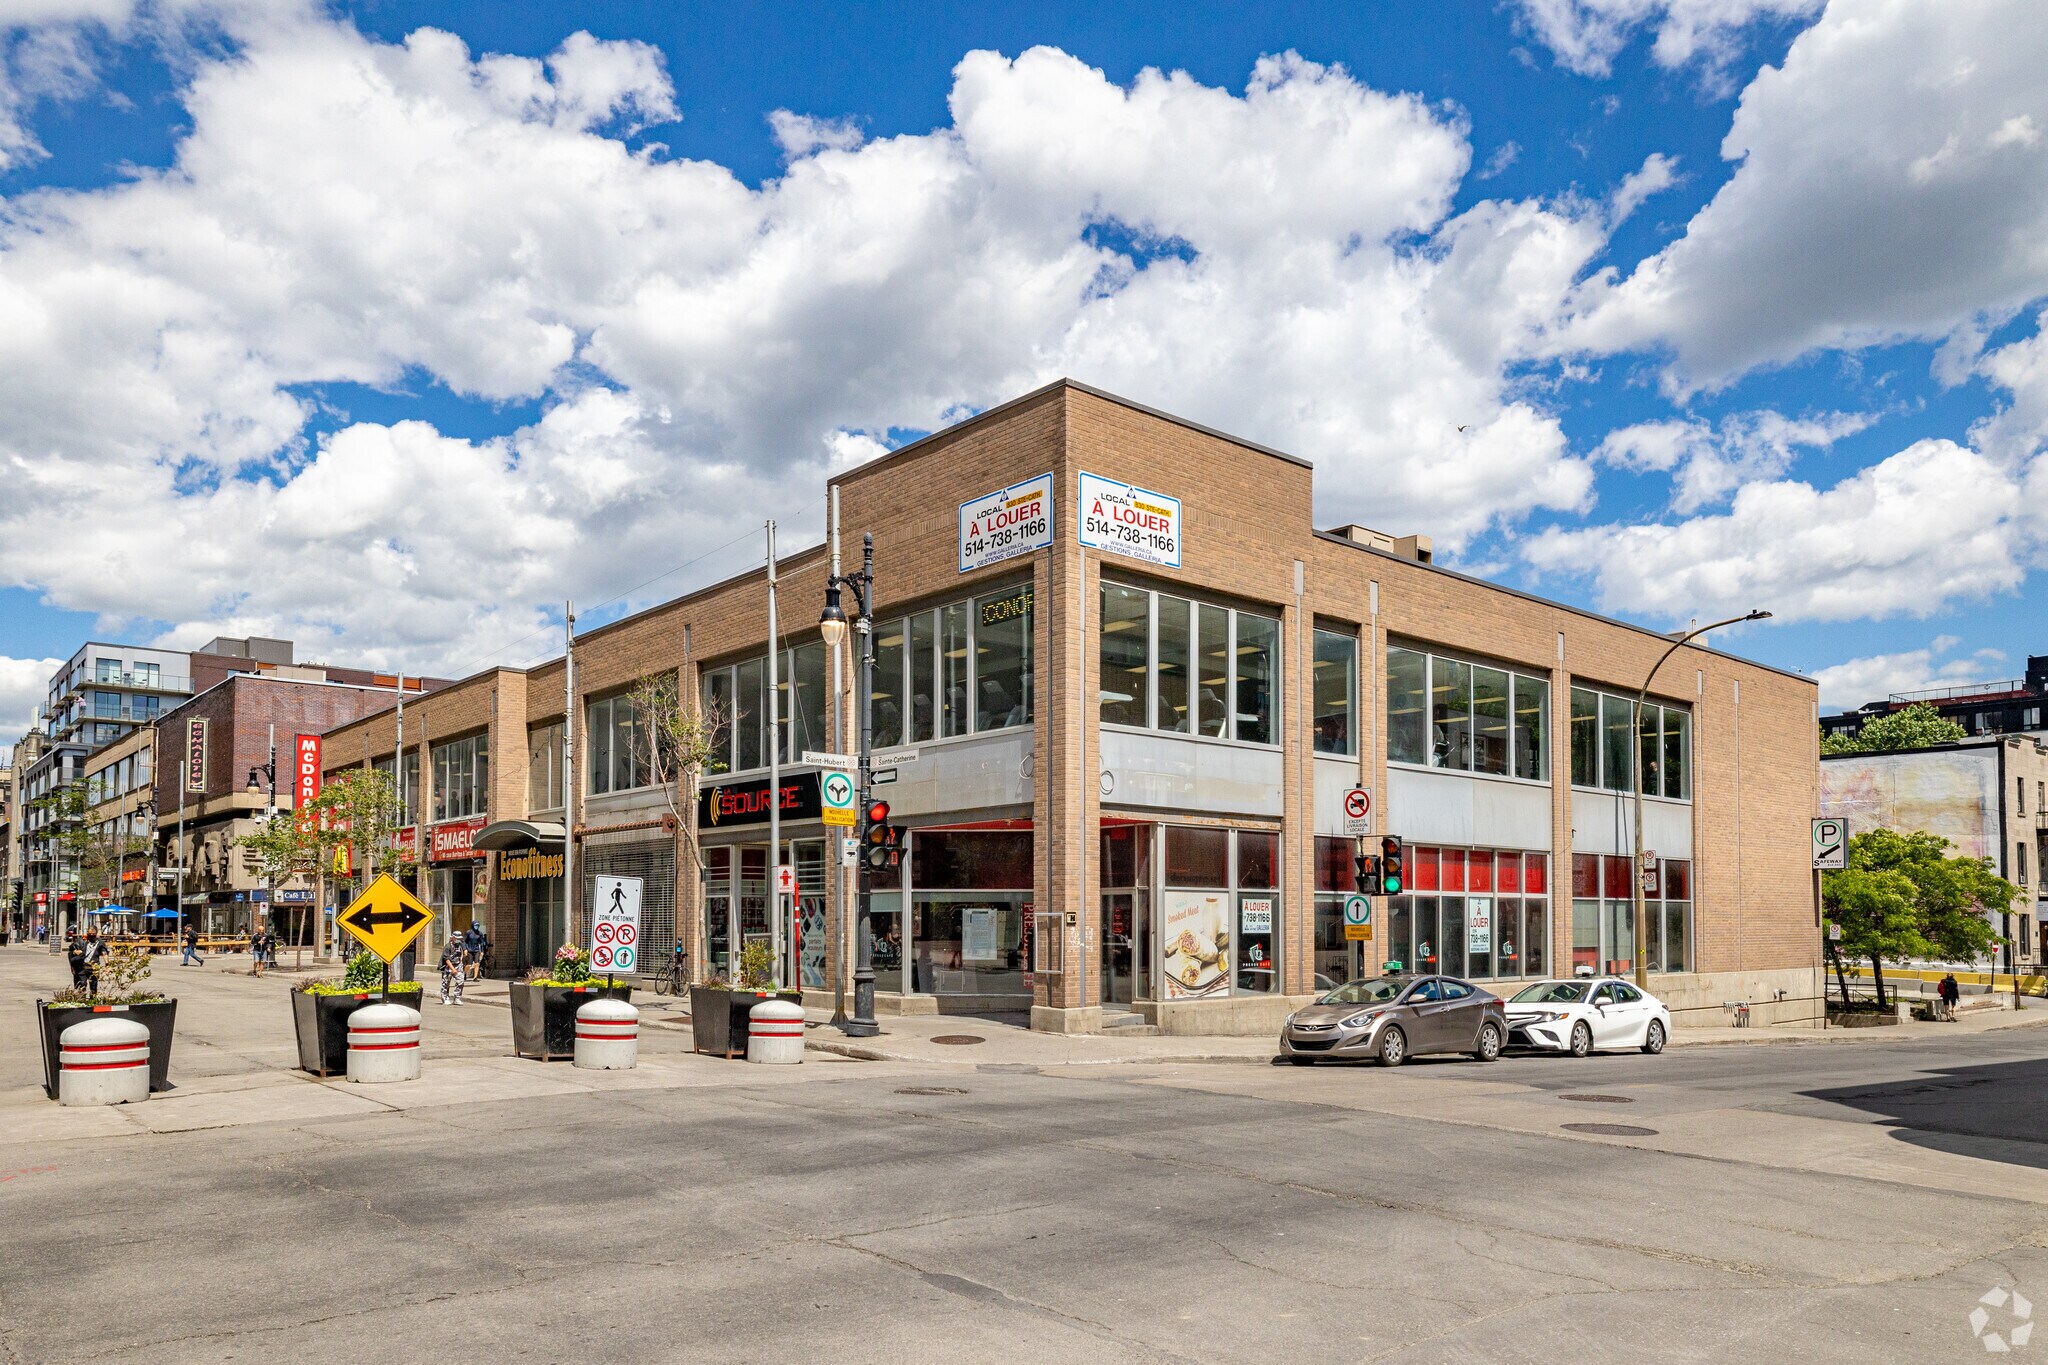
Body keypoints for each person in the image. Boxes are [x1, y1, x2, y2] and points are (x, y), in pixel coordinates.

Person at [439, 932, 468, 1006]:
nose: (458, 940)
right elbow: (446, 959)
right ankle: (445, 998)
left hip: (458, 965)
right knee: (446, 983)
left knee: (460, 981)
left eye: (459, 939)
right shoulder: (447, 946)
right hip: (448, 966)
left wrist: (465, 952)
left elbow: (464, 948)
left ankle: (457, 998)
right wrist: (452, 969)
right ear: (452, 937)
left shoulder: (460, 945)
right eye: (457, 938)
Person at [79, 928, 106, 995]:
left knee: (93, 986)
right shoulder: (83, 941)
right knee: (82, 984)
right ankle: (82, 1001)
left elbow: (104, 953)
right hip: (83, 966)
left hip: (94, 967)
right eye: (89, 933)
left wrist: (107, 964)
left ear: (96, 933)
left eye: (92, 933)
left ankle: (92, 1001)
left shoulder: (100, 942)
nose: (91, 934)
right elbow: (73, 949)